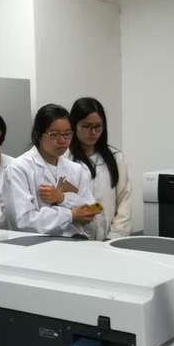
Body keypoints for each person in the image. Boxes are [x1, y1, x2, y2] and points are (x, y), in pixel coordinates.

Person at [3, 104, 100, 236]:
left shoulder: (76, 169)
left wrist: (63, 198)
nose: (62, 140)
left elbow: (94, 208)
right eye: (54, 135)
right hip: (37, 245)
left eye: (67, 134)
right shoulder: (18, 169)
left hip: (76, 242)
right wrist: (70, 215)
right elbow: (22, 221)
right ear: (38, 135)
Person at [68, 97, 131, 240]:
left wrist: (115, 236)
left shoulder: (115, 157)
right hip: (74, 239)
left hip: (109, 239)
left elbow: (124, 201)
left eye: (98, 126)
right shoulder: (65, 158)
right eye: (86, 126)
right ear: (74, 125)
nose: (93, 132)